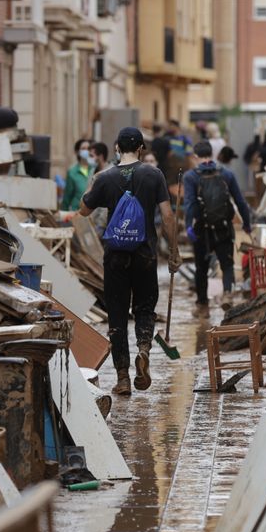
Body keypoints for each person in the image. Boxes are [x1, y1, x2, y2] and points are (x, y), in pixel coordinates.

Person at [79, 127, 180, 396]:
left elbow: (84, 209)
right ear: (141, 149)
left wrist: (95, 181)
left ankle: (122, 378)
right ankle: (144, 350)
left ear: (116, 148)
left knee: (117, 316)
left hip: (115, 256)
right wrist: (174, 250)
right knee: (145, 308)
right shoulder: (153, 175)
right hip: (145, 253)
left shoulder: (105, 177)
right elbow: (168, 217)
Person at [183, 141, 252, 309]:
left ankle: (203, 306)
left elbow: (190, 205)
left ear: (195, 157)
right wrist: (246, 224)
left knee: (201, 268)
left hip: (202, 229)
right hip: (223, 228)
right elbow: (240, 201)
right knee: (227, 265)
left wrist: (188, 227)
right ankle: (228, 293)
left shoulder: (190, 177)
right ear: (212, 155)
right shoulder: (226, 174)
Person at [61, 139, 92, 211]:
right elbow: (67, 196)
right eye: (83, 148)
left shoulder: (94, 170)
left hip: (92, 212)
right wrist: (64, 212)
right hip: (76, 211)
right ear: (77, 152)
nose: (86, 151)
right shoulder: (72, 172)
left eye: (88, 148)